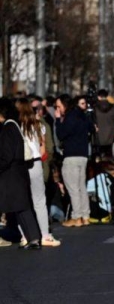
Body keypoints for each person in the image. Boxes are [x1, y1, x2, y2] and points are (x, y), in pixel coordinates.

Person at [15, 99, 61, 247]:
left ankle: (24, 235)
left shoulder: (16, 126)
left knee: (23, 201)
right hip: (35, 164)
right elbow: (42, 150)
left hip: (21, 166)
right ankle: (45, 235)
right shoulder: (39, 125)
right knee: (40, 201)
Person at [0, 98, 42, 249]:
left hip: (12, 175)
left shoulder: (7, 128)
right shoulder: (13, 125)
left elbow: (6, 154)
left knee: (22, 207)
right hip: (17, 173)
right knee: (22, 207)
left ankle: (33, 239)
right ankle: (33, 238)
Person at [55, 94, 95, 227]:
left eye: (59, 106)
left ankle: (76, 217)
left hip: (71, 155)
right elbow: (91, 128)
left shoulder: (70, 117)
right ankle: (85, 216)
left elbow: (61, 134)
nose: (58, 109)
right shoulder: (83, 115)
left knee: (73, 188)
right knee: (81, 186)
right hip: (83, 155)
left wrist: (57, 120)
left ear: (65, 106)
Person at [94, 89, 114, 158]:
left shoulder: (95, 108)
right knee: (110, 160)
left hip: (98, 138)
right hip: (111, 137)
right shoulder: (113, 108)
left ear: (98, 97)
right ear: (107, 96)